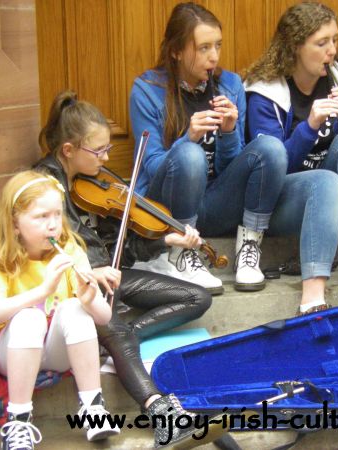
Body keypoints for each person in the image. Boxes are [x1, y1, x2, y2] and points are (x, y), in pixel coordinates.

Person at [34, 91, 220, 448]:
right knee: (114, 331)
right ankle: (161, 413)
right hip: (75, 287)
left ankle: (125, 341)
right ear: (69, 150)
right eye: (98, 151)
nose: (106, 159)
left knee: (194, 296)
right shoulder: (44, 187)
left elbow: (122, 247)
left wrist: (167, 240)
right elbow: (46, 248)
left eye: (106, 150)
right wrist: (88, 272)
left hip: (111, 277)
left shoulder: (93, 186)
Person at [130, 2, 292, 293]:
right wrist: (187, 139)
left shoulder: (229, 85)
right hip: (163, 210)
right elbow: (151, 165)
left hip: (215, 203)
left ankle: (248, 249)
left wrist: (230, 132)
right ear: (177, 50)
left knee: (270, 149)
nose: (214, 57)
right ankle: (182, 252)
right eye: (203, 48)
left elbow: (232, 169)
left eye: (217, 46)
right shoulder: (146, 90)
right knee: (190, 155)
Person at [244, 2, 338, 299]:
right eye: (322, 42)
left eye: (334, 40)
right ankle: (312, 296)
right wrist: (309, 128)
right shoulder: (264, 92)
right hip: (285, 202)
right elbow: (272, 170)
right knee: (324, 181)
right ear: (295, 46)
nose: (332, 50)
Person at [0, 171, 120, 449]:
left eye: (57, 215)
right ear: (15, 223)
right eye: (41, 217)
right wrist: (42, 291)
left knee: (76, 308)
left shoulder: (69, 249)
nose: (53, 225)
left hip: (56, 351)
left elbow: (104, 317)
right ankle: (18, 421)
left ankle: (93, 409)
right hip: (10, 351)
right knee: (29, 317)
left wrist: (89, 298)